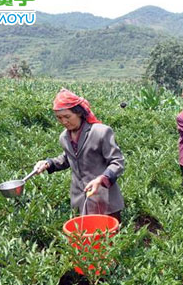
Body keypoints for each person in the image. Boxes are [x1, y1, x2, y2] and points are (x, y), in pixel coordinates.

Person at [34, 89, 125, 222]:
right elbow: (67, 158)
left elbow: (117, 162)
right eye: (59, 118)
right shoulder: (64, 137)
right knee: (85, 239)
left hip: (104, 198)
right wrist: (48, 163)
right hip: (80, 200)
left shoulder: (101, 132)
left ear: (79, 113)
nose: (64, 121)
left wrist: (101, 179)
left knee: (109, 239)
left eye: (67, 116)